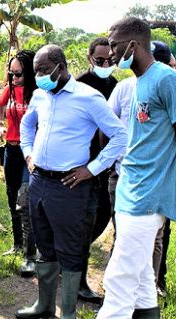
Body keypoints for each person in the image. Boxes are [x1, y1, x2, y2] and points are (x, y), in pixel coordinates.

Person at [97, 18, 176, 319]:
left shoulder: (166, 79)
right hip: (132, 191)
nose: (110, 51)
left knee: (118, 281)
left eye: (114, 45)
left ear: (132, 45)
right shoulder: (138, 83)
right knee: (142, 284)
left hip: (147, 196)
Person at [15, 44, 126, 319]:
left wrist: (93, 169)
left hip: (69, 186)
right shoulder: (40, 96)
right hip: (39, 180)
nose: (38, 75)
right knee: (44, 244)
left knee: (70, 247)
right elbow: (27, 125)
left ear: (60, 68)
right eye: (35, 71)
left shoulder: (89, 98)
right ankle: (43, 305)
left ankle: (68, 313)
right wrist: (28, 153)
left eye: (42, 70)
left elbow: (120, 136)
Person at [107, 41, 176, 296]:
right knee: (124, 237)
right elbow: (107, 128)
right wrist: (109, 165)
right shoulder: (126, 88)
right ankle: (139, 292)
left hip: (158, 182)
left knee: (153, 240)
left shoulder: (175, 88)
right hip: (123, 178)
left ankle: (149, 288)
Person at [74, 36, 118, 304]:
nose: (105, 64)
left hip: (106, 163)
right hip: (83, 164)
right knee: (87, 221)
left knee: (100, 218)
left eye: (109, 60)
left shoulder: (115, 85)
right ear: (90, 59)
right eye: (100, 60)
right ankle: (78, 282)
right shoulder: (79, 85)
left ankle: (69, 265)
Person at [0, 49, 38, 277]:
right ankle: (17, 244)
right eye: (11, 74)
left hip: (29, 154)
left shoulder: (39, 94)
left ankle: (30, 257)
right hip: (11, 151)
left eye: (18, 74)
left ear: (29, 73)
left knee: (25, 203)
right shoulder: (9, 91)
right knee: (12, 200)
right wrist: (0, 123)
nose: (14, 78)